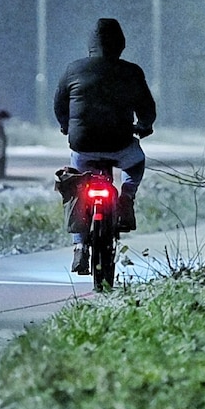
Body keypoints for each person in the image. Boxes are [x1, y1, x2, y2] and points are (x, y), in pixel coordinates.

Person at [53, 18, 157, 273]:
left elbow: (59, 104)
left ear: (91, 45)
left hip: (83, 144)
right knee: (136, 162)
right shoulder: (132, 72)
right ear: (121, 44)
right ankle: (126, 199)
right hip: (120, 143)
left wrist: (67, 126)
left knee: (77, 185)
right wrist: (144, 126)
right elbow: (147, 108)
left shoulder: (73, 69)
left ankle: (79, 247)